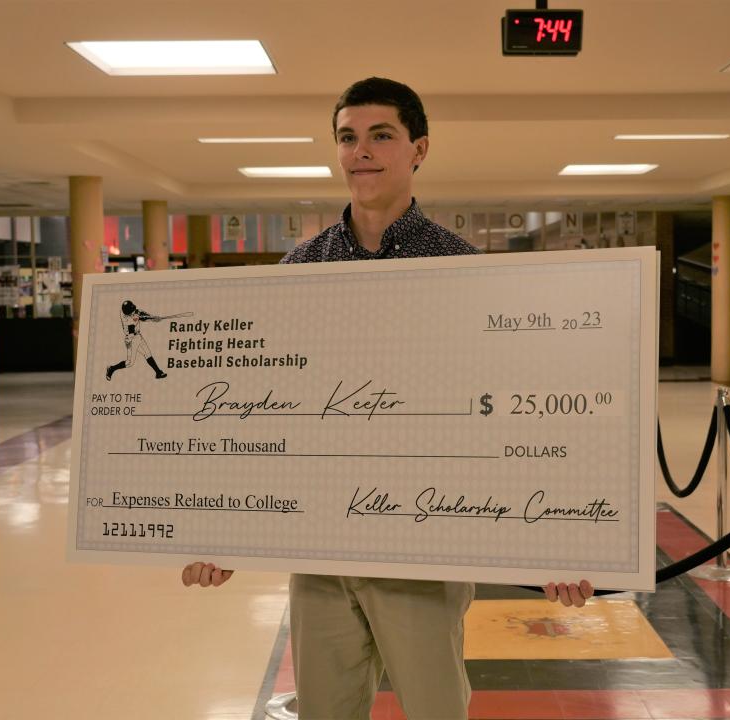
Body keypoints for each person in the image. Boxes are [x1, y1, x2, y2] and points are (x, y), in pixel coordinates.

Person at [182, 77, 594, 720]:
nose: (361, 152)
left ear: (418, 149)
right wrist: (226, 528)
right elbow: (264, 408)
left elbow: (497, 415)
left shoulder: (459, 269)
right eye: (348, 138)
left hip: (421, 546)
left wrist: (547, 542)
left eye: (381, 136)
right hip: (320, 551)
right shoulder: (300, 270)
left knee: (434, 708)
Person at [106, 299, 168, 380]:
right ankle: (112, 368)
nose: (134, 311)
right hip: (131, 339)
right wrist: (150, 318)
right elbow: (139, 320)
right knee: (129, 363)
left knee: (148, 354)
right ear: (127, 313)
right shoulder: (127, 320)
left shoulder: (128, 311)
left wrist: (154, 318)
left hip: (138, 336)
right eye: (132, 311)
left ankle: (158, 372)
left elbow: (140, 313)